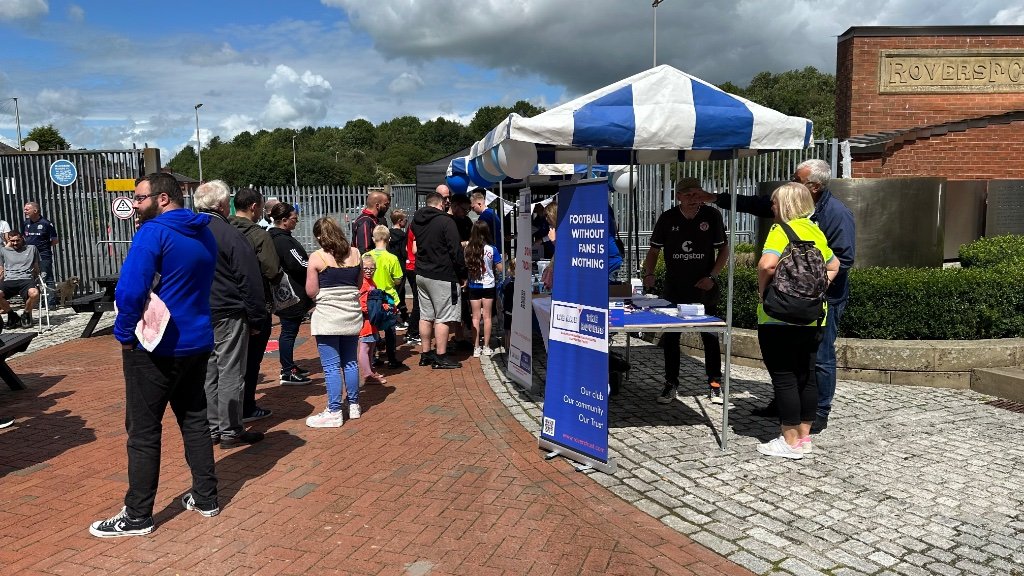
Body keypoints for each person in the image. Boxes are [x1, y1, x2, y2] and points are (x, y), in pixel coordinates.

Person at [90, 172, 219, 538]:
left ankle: (137, 515)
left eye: (140, 198)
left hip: (155, 346)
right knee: (194, 419)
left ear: (163, 199)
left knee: (143, 430)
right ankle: (206, 497)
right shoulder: (204, 232)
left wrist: (122, 333)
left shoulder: (153, 232)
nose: (135, 205)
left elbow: (130, 290)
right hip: (196, 340)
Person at [697, 159, 855, 433]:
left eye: (796, 179)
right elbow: (755, 204)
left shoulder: (836, 214)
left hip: (822, 299)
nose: (790, 182)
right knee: (791, 360)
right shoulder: (793, 214)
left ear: (814, 187)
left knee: (819, 358)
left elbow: (843, 260)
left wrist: (809, 289)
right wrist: (715, 198)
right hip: (793, 297)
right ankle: (786, 406)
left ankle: (819, 412)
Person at [754, 182, 839, 459]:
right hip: (813, 316)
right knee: (807, 376)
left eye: (775, 202)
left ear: (786, 205)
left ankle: (789, 442)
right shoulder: (815, 231)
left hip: (778, 317)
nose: (772, 206)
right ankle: (804, 437)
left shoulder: (780, 230)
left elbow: (766, 264)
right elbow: (834, 265)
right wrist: (815, 289)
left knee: (784, 377)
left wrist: (763, 292)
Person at [642, 178, 730, 405]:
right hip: (675, 288)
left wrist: (712, 277)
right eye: (688, 194)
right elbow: (654, 251)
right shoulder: (668, 218)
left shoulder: (712, 216)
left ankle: (715, 383)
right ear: (678, 196)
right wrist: (649, 273)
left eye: (697, 194)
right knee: (671, 337)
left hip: (704, 289)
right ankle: (670, 383)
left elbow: (724, 250)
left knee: (709, 336)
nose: (693, 199)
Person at [193, 181, 267, 449]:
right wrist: (257, 317)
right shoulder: (229, 234)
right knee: (231, 371)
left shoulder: (188, 231)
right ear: (223, 205)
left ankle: (213, 427)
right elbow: (248, 278)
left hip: (199, 309)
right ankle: (231, 429)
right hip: (228, 309)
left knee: (210, 370)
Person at [229, 188, 282, 422]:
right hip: (255, 302)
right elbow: (272, 270)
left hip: (226, 303)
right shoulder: (258, 235)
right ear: (254, 207)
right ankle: (247, 406)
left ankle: (226, 411)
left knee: (227, 360)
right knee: (251, 360)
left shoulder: (222, 229)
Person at [305, 217, 363, 427]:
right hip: (351, 315)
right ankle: (354, 404)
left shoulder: (317, 257)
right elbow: (358, 284)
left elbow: (311, 291)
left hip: (328, 317)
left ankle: (334, 410)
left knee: (331, 367)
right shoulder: (355, 253)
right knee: (350, 362)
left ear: (320, 236)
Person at [411, 191, 466, 369]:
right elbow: (455, 250)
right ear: (441, 204)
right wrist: (462, 273)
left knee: (426, 315)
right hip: (443, 274)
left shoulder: (416, 221)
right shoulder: (445, 221)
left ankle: (426, 353)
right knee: (443, 316)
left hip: (422, 272)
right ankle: (441, 356)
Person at [268, 202, 314, 385]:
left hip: (288, 292)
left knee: (290, 331)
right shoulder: (282, 240)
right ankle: (287, 370)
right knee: (288, 332)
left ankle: (289, 366)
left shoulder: (279, 237)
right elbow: (298, 264)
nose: (297, 221)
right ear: (284, 220)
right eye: (294, 218)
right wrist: (316, 264)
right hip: (291, 294)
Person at [465, 220, 503, 357]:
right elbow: (500, 268)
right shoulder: (492, 249)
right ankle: (486, 346)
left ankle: (476, 347)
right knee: (487, 317)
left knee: (475, 317)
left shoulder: (468, 248)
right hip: (488, 285)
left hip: (473, 285)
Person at [369, 224, 404, 368]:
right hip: (388, 297)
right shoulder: (392, 258)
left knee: (372, 326)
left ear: (373, 239)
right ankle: (391, 358)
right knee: (390, 328)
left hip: (371, 297)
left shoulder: (366, 256)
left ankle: (373, 356)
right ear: (389, 239)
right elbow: (398, 278)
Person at [357, 253, 388, 385]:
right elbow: (362, 303)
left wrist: (383, 306)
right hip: (366, 322)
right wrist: (374, 309)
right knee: (364, 348)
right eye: (365, 268)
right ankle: (367, 374)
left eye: (371, 268)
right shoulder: (362, 283)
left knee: (371, 348)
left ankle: (370, 371)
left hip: (372, 322)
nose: (369, 271)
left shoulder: (371, 283)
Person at [0, 230, 40, 328]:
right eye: (12, 241)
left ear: (22, 238)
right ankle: (12, 315)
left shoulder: (31, 249)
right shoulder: (3, 251)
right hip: (9, 279)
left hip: (26, 279)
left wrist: (38, 280)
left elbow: (36, 267)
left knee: (34, 293)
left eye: (17, 240)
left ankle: (26, 313)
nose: (15, 243)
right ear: (8, 240)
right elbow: (1, 270)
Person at [22, 201, 58, 306]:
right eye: (24, 209)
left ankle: (51, 303)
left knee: (47, 277)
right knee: (32, 278)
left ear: (35, 210)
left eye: (27, 209)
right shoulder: (26, 223)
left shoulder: (46, 223)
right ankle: (36, 302)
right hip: (29, 256)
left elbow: (55, 240)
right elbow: (23, 237)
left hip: (43, 255)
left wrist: (44, 247)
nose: (25, 211)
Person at [387, 209, 411, 329]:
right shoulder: (402, 235)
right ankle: (399, 316)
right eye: (405, 220)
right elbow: (404, 251)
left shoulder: (388, 234)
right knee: (400, 290)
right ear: (400, 221)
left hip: (390, 265)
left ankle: (399, 315)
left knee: (393, 290)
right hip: (400, 265)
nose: (406, 222)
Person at [403, 220, 421, 345]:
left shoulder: (411, 225)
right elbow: (415, 249)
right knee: (418, 301)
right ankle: (412, 332)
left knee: (418, 300)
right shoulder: (417, 226)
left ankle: (412, 331)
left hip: (410, 264)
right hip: (414, 265)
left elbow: (407, 247)